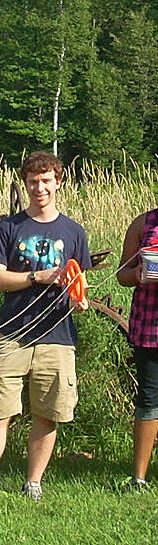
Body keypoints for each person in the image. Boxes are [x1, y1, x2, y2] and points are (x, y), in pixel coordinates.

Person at [0, 150, 90, 505]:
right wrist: (39, 276)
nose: (40, 188)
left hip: (58, 338)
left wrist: (78, 299)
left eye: (46, 180)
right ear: (26, 184)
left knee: (48, 414)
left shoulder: (74, 231)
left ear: (58, 183)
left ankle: (33, 482)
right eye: (33, 181)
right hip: (12, 335)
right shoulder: (11, 227)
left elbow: (80, 283)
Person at [116, 206, 158, 489]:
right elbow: (122, 273)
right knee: (150, 399)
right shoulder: (143, 223)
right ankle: (139, 477)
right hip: (150, 325)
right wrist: (139, 274)